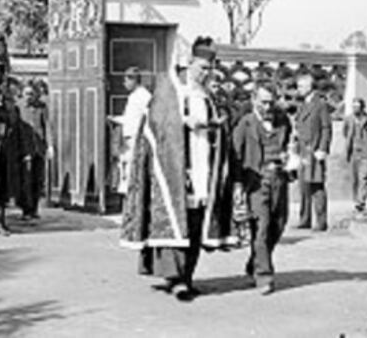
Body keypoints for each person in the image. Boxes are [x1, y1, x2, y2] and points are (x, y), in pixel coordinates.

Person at [120, 37, 232, 302]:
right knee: (175, 221)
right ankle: (176, 278)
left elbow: (219, 123)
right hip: (174, 166)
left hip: (201, 163)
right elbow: (157, 120)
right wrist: (183, 121)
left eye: (209, 69)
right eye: (202, 68)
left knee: (195, 223)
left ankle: (187, 276)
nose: (205, 73)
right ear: (190, 62)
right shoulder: (170, 87)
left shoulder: (208, 94)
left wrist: (216, 125)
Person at [232, 85, 294, 295]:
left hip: (279, 178)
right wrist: (238, 184)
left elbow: (290, 145)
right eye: (263, 102)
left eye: (271, 102)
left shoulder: (283, 121)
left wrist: (289, 157)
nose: (267, 107)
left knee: (279, 224)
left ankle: (255, 263)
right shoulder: (245, 123)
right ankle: (264, 276)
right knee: (262, 227)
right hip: (256, 182)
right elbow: (236, 155)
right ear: (253, 99)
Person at [294, 73, 332, 231]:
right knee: (303, 186)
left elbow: (326, 128)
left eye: (301, 86)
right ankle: (305, 219)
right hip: (303, 151)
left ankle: (321, 221)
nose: (298, 89)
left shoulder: (320, 104)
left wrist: (323, 148)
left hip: (314, 150)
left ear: (309, 87)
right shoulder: (303, 105)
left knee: (317, 186)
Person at [108, 67, 152, 196]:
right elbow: (129, 118)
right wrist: (114, 119)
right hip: (128, 137)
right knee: (125, 165)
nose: (124, 84)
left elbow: (148, 114)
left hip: (136, 137)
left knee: (133, 167)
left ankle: (133, 195)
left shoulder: (143, 95)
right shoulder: (133, 96)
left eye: (126, 80)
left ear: (134, 80)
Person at [15, 84, 49, 219]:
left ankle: (34, 209)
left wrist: (50, 145)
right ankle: (26, 210)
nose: (29, 97)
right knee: (26, 181)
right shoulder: (18, 107)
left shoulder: (41, 107)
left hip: (38, 148)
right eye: (26, 94)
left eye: (31, 94)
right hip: (24, 149)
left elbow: (47, 125)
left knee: (37, 180)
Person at [343, 98, 367, 212]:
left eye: (357, 106)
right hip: (353, 152)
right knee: (354, 179)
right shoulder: (348, 119)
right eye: (353, 106)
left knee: (364, 177)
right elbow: (345, 132)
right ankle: (356, 199)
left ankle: (361, 201)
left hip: (366, 151)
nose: (355, 109)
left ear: (362, 108)